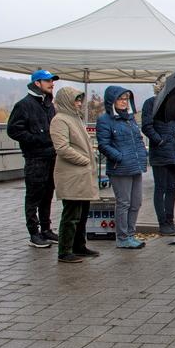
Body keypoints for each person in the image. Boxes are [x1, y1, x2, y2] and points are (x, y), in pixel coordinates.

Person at [7, 69, 59, 248]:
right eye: (48, 81)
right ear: (37, 83)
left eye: (52, 81)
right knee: (33, 197)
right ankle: (34, 233)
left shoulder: (49, 105)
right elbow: (13, 130)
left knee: (47, 195)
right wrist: (38, 139)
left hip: (51, 156)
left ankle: (46, 229)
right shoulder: (24, 105)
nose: (52, 84)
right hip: (35, 158)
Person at [49, 87, 101, 263]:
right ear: (67, 101)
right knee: (71, 215)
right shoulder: (60, 120)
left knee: (82, 213)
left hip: (81, 175)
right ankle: (64, 250)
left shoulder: (75, 118)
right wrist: (84, 160)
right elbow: (62, 148)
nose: (79, 103)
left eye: (80, 100)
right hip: (72, 175)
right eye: (76, 100)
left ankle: (79, 246)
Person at [96, 86, 148, 249]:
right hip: (120, 168)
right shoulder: (105, 120)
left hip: (135, 166)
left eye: (126, 99)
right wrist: (120, 157)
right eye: (121, 99)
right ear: (112, 101)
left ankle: (131, 234)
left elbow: (138, 140)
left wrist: (142, 155)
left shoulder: (130, 119)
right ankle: (123, 237)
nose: (124, 102)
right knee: (124, 202)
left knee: (136, 202)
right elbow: (103, 144)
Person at [141, 74, 175, 236]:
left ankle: (170, 220)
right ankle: (163, 223)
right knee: (161, 188)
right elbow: (147, 126)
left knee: (171, 188)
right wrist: (160, 141)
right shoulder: (151, 103)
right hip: (160, 153)